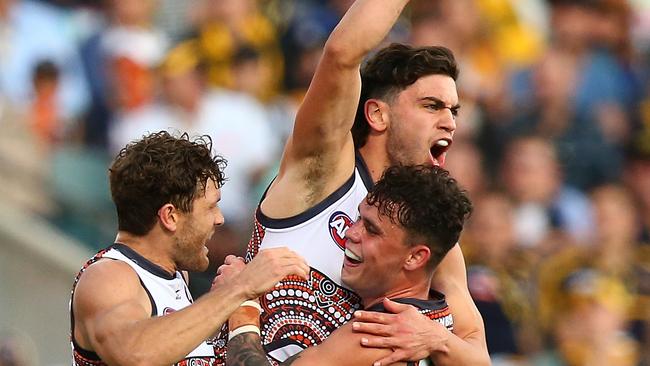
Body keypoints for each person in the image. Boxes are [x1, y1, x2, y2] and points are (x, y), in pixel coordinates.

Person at [214, 1, 490, 365]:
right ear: (377, 114)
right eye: (431, 106)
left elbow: (476, 351)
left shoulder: (425, 230)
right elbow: (342, 53)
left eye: (453, 111)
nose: (449, 122)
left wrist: (438, 338)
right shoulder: (324, 165)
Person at [69, 131, 309, 365]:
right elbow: (135, 354)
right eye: (211, 207)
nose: (219, 219)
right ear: (170, 216)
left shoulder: (175, 277)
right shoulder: (108, 277)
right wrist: (240, 288)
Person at [222, 165, 472, 366]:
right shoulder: (441, 319)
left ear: (415, 257)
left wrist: (240, 300)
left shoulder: (382, 333)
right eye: (358, 219)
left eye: (372, 230)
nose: (351, 233)